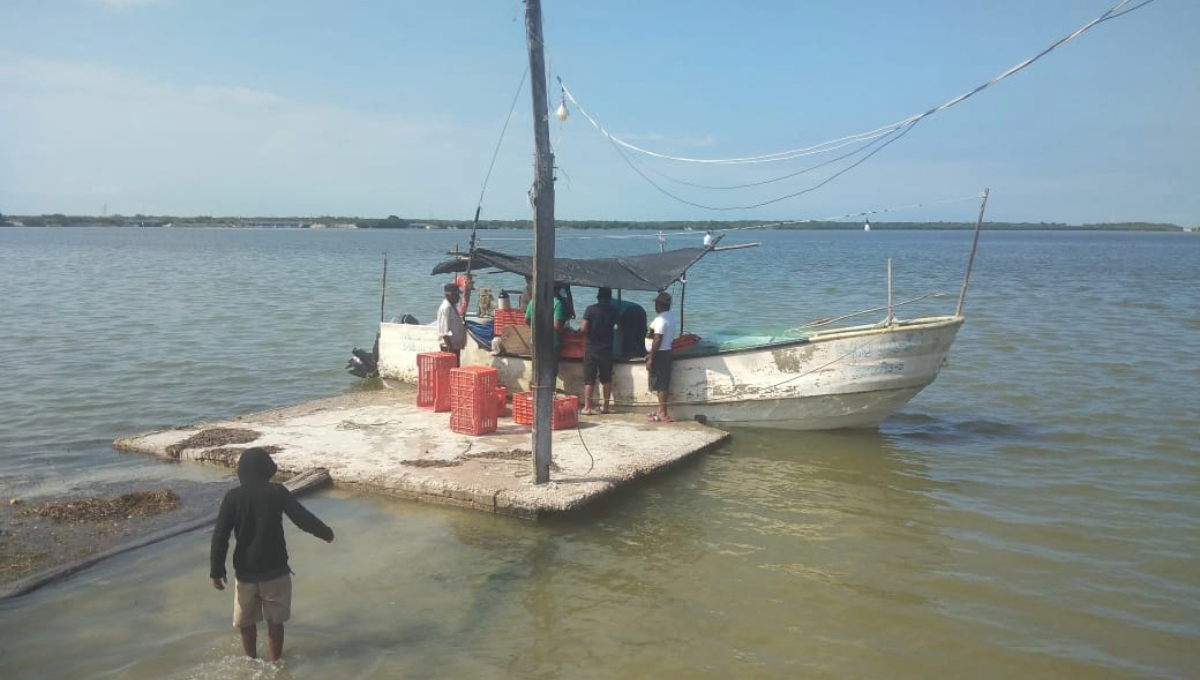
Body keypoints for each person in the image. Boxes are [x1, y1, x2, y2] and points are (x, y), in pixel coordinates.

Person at [210, 447, 335, 662]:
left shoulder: (232, 497)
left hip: (246, 573)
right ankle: (275, 662)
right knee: (275, 622)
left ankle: (250, 661)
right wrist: (326, 533)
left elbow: (220, 536)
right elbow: (301, 518)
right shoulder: (277, 492)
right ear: (266, 470)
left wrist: (216, 570)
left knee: (246, 623)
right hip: (276, 571)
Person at [579, 287, 620, 415]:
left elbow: (583, 329)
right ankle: (606, 406)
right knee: (606, 379)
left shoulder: (590, 310)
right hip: (607, 349)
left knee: (589, 380)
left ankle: (587, 408)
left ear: (598, 297)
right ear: (610, 298)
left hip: (592, 349)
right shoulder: (614, 311)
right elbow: (618, 327)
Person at [645, 291, 676, 422]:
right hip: (666, 351)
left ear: (660, 305)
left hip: (660, 354)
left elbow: (657, 338)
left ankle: (663, 413)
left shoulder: (660, 320)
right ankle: (660, 410)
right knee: (661, 383)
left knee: (661, 384)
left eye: (656, 303)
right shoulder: (670, 317)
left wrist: (651, 357)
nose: (655, 306)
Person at [436, 281, 467, 362]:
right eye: (456, 295)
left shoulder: (452, 307)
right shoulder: (445, 308)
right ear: (450, 295)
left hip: (455, 346)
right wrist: (450, 349)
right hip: (449, 347)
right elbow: (444, 331)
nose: (458, 297)